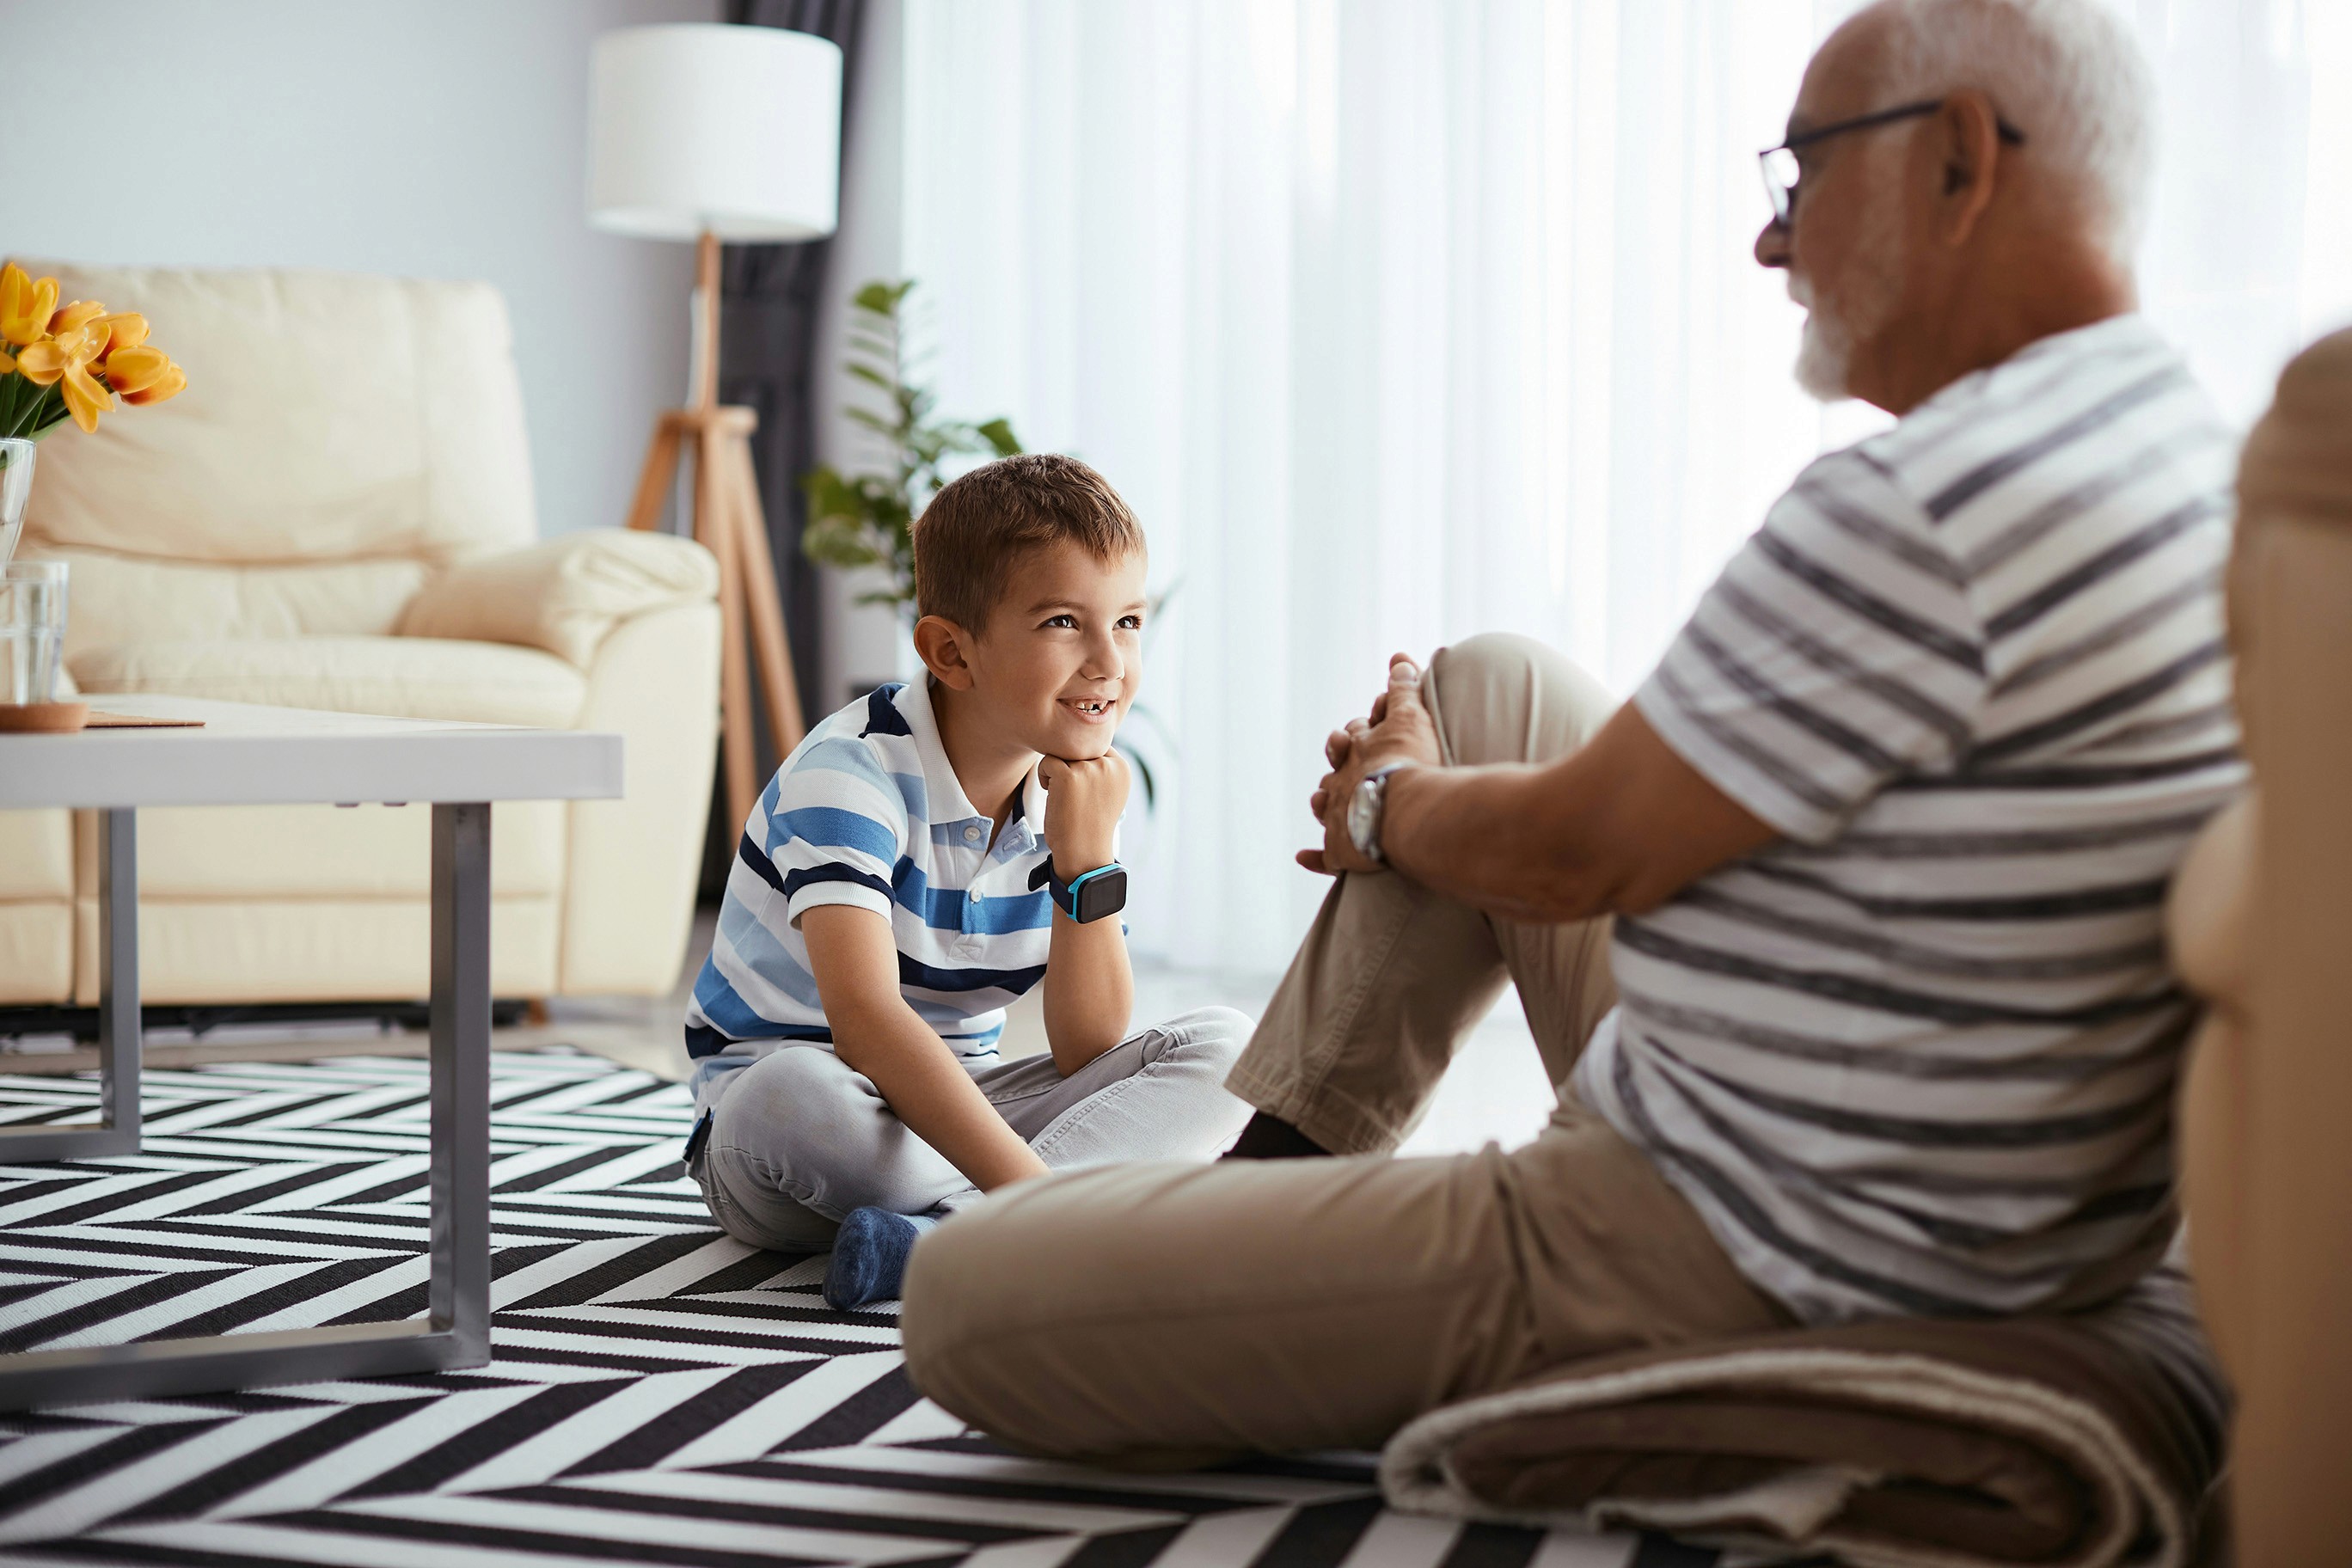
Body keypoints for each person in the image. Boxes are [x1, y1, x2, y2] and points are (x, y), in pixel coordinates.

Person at [900, 0, 2243, 1463]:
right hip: (1900, 1152)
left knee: (966, 1293)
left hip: (1744, 1229)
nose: (1770, 243)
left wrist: (1389, 807)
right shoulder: (2172, 444)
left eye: (1800, 177)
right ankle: (1274, 1184)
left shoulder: (1927, 505)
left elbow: (1577, 847)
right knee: (1493, 678)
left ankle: (1277, 1252)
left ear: (1959, 161)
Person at [682, 454, 1251, 1311]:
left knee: (1228, 1049)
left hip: (956, 1116)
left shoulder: (1077, 787)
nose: (1110, 661)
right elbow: (867, 1029)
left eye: (1128, 621)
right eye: (1065, 621)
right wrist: (1038, 1196)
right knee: (788, 1092)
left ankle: (947, 1241)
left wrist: (1085, 860)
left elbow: (1087, 1048)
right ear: (952, 652)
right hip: (799, 1138)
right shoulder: (850, 775)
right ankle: (1035, 1224)